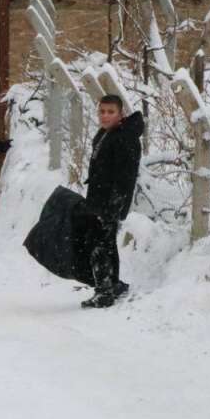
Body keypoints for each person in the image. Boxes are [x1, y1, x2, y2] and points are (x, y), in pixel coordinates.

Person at [79, 94, 143, 308]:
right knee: (106, 242)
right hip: (99, 197)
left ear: (120, 113)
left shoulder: (124, 137)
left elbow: (125, 176)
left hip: (110, 201)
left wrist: (113, 206)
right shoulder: (106, 133)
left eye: (110, 112)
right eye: (102, 111)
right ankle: (113, 284)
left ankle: (104, 292)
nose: (105, 116)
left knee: (99, 244)